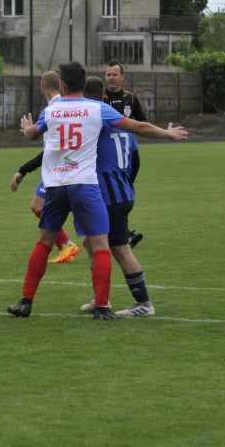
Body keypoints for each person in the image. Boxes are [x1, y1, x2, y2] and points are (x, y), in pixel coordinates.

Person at [7, 61, 187, 320]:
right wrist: (167, 135)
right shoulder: (99, 109)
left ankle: (25, 302)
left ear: (63, 85)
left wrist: (26, 130)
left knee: (45, 243)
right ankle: (102, 307)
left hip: (56, 185)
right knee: (101, 245)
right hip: (87, 185)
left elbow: (33, 134)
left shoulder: (53, 109)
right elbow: (139, 127)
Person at [76, 76, 155, 317]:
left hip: (111, 195)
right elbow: (135, 158)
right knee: (90, 243)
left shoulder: (95, 120)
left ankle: (144, 303)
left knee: (120, 249)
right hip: (120, 190)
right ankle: (101, 297)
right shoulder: (118, 120)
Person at [9, 71, 81, 264]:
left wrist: (23, 169)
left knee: (43, 207)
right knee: (38, 206)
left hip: (59, 171)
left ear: (42, 86)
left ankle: (68, 244)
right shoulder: (64, 106)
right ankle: (66, 244)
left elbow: (47, 152)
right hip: (63, 168)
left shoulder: (51, 111)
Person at [104, 60, 146, 248]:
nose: (111, 78)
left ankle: (121, 231)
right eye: (108, 74)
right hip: (106, 155)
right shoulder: (99, 99)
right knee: (112, 194)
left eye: (114, 75)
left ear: (122, 77)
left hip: (128, 152)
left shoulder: (130, 98)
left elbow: (143, 122)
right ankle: (123, 234)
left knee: (124, 190)